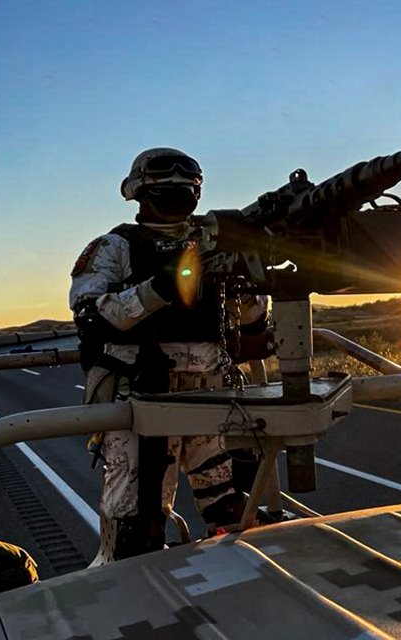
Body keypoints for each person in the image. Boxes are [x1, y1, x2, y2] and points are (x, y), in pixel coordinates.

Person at [69, 147, 271, 560]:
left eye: (185, 182)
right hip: (140, 398)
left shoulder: (212, 241)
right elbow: (91, 315)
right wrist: (160, 287)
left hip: (210, 397)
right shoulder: (115, 246)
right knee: (137, 526)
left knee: (232, 509)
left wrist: (247, 269)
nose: (177, 189)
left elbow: (251, 318)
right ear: (139, 191)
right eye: (166, 181)